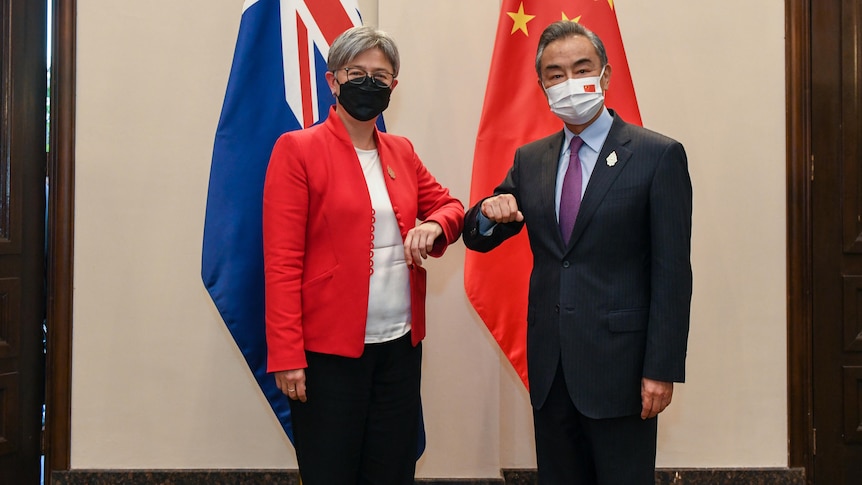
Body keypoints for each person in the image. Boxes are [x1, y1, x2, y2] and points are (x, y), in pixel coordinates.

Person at [463, 20, 692, 484]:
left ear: (605, 76)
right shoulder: (532, 160)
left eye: (581, 68)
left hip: (622, 371)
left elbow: (672, 273)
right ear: (542, 86)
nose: (569, 82)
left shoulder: (656, 156)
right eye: (555, 73)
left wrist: (661, 369)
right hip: (551, 370)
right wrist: (489, 212)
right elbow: (477, 235)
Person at [262, 25, 464, 485]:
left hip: (399, 347)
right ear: (333, 81)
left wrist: (433, 225)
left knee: (392, 469)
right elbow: (280, 261)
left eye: (381, 76)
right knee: (331, 470)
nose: (369, 84)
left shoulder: (401, 151)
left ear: (394, 87)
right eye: (358, 73)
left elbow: (452, 207)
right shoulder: (298, 150)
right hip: (326, 353)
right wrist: (287, 354)